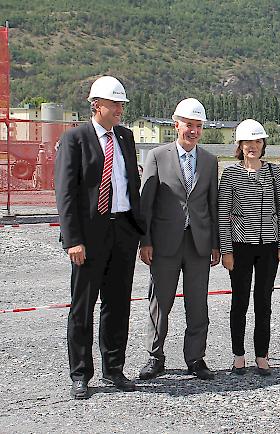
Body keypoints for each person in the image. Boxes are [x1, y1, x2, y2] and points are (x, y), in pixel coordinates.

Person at [55, 76, 144, 399]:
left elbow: (131, 184)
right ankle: (81, 373)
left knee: (118, 304)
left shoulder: (125, 137)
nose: (120, 109)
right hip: (89, 237)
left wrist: (139, 232)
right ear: (97, 106)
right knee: (83, 306)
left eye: (122, 104)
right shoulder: (75, 139)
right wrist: (73, 239)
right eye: (115, 104)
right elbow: (65, 194)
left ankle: (114, 369)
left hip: (122, 231)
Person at [138, 98, 220, 381]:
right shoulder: (157, 157)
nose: (193, 131)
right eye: (188, 125)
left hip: (198, 243)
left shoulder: (209, 161)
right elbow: (145, 204)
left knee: (197, 304)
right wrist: (145, 241)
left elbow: (213, 206)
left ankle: (196, 358)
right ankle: (155, 357)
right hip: (164, 244)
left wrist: (215, 244)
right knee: (160, 302)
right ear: (176, 125)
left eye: (198, 126)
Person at [218, 119, 280, 376]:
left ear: (263, 144)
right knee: (239, 301)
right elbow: (223, 213)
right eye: (248, 141)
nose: (253, 146)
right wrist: (226, 250)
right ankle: (239, 355)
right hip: (239, 246)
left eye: (258, 141)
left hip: (268, 246)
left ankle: (262, 355)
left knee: (264, 301)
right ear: (239, 144)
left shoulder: (274, 173)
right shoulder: (230, 174)